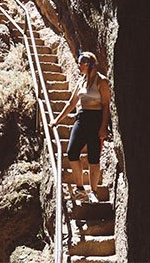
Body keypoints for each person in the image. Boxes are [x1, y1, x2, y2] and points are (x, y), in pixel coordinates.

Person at [54, 50, 111, 202]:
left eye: (81, 63)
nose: (78, 65)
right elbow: (71, 103)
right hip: (82, 119)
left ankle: (93, 191)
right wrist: (57, 121)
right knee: (72, 152)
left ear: (88, 64)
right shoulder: (81, 81)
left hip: (96, 120)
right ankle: (80, 188)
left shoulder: (101, 81)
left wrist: (103, 127)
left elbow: (106, 105)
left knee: (93, 158)